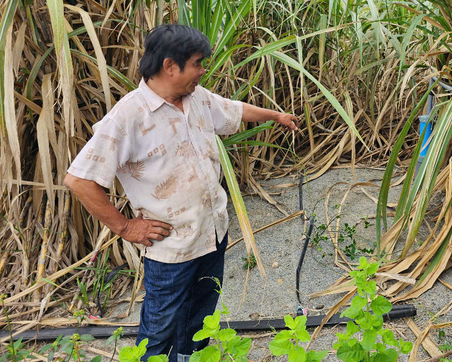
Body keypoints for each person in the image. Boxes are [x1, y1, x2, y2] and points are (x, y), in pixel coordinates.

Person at [64, 25, 299, 362]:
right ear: (170, 65)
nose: (203, 71)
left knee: (201, 316)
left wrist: (275, 116)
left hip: (212, 233)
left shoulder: (197, 98)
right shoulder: (128, 117)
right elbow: (79, 180)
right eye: (198, 63)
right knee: (159, 329)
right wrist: (126, 227)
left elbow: (234, 110)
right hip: (171, 248)